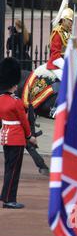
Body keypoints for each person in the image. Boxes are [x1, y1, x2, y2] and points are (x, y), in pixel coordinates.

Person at [0, 58, 38, 209]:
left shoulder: (1, 100)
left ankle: (4, 194)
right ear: (13, 85)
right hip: (16, 138)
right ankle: (10, 199)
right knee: (14, 170)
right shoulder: (16, 102)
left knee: (9, 168)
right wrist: (30, 137)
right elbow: (24, 121)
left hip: (5, 137)